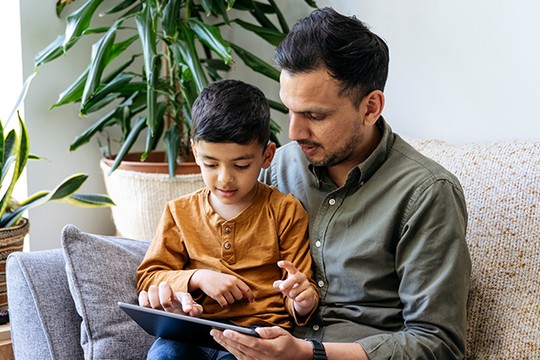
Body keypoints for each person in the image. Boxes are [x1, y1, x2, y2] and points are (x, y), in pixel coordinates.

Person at [206, 7, 472, 360]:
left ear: (370, 107)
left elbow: (439, 344)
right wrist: (183, 288)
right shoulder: (277, 167)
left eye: (315, 116)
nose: (294, 132)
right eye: (290, 110)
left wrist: (308, 354)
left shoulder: (426, 193)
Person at [136, 79, 319, 359]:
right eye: (210, 164)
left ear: (267, 155)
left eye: (241, 165)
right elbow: (150, 276)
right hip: (191, 331)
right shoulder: (179, 211)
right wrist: (198, 278)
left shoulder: (285, 210)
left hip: (255, 335)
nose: (225, 178)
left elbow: (298, 285)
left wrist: (302, 300)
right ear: (195, 152)